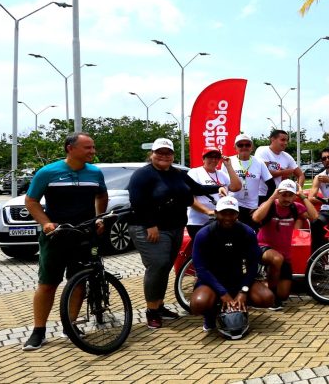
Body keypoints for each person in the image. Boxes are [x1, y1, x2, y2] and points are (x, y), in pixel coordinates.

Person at [22, 133, 109, 351]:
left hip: (84, 234)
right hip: (56, 235)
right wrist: (46, 223)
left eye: (93, 147)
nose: (93, 151)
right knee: (48, 283)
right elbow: (31, 201)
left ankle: (70, 325)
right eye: (88, 148)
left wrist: (100, 217)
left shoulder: (95, 172)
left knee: (78, 281)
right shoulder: (48, 172)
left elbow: (101, 195)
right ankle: (38, 331)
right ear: (70, 148)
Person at [127, 138, 223, 329]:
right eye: (159, 152)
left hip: (175, 227)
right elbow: (137, 202)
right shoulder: (142, 175)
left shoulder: (177, 173)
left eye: (168, 153)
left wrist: (217, 188)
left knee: (165, 267)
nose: (164, 156)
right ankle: (151, 311)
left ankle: (160, 305)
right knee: (157, 265)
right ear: (152, 154)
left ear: (172, 155)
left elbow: (197, 189)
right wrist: (150, 224)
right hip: (150, 228)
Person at [189, 196, 275, 333]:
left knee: (267, 298)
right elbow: (201, 269)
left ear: (237, 214)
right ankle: (210, 315)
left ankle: (239, 308)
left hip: (238, 279)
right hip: (211, 282)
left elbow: (253, 264)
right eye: (223, 213)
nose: (228, 217)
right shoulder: (204, 234)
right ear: (216, 213)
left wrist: (243, 291)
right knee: (198, 304)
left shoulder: (247, 232)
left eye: (232, 213)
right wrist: (222, 293)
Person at [253, 180, 316, 310]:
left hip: (285, 255)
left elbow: (314, 216)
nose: (286, 198)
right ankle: (272, 298)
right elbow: (256, 218)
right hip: (263, 248)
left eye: (290, 195)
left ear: (294, 196)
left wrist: (303, 196)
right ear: (278, 193)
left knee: (284, 295)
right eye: (283, 194)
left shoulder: (296, 208)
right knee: (276, 259)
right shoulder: (270, 205)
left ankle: (260, 287)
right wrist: (272, 197)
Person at [186, 149, 242, 241]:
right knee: (203, 250)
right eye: (210, 157)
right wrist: (208, 211)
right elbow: (189, 198)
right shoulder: (194, 172)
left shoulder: (222, 174)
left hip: (220, 222)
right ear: (203, 159)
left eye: (216, 157)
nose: (213, 160)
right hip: (198, 222)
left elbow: (236, 187)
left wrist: (229, 166)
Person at [227, 133, 275, 229]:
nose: (244, 147)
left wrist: (262, 205)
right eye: (240, 145)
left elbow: (272, 185)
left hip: (252, 208)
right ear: (235, 147)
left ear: (252, 147)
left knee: (250, 236)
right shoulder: (228, 161)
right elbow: (223, 185)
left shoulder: (259, 162)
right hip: (233, 206)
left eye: (247, 145)